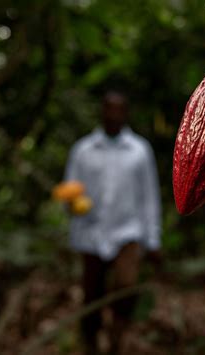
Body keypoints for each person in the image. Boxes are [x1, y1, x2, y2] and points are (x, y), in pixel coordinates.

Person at [63, 91, 161, 354]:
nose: (114, 115)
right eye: (109, 109)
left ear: (126, 113)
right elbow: (70, 192)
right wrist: (73, 203)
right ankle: (90, 344)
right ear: (102, 111)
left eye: (120, 110)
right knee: (91, 297)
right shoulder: (83, 150)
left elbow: (149, 197)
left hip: (127, 234)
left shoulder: (140, 151)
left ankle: (117, 343)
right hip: (91, 234)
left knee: (124, 295)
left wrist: (153, 240)